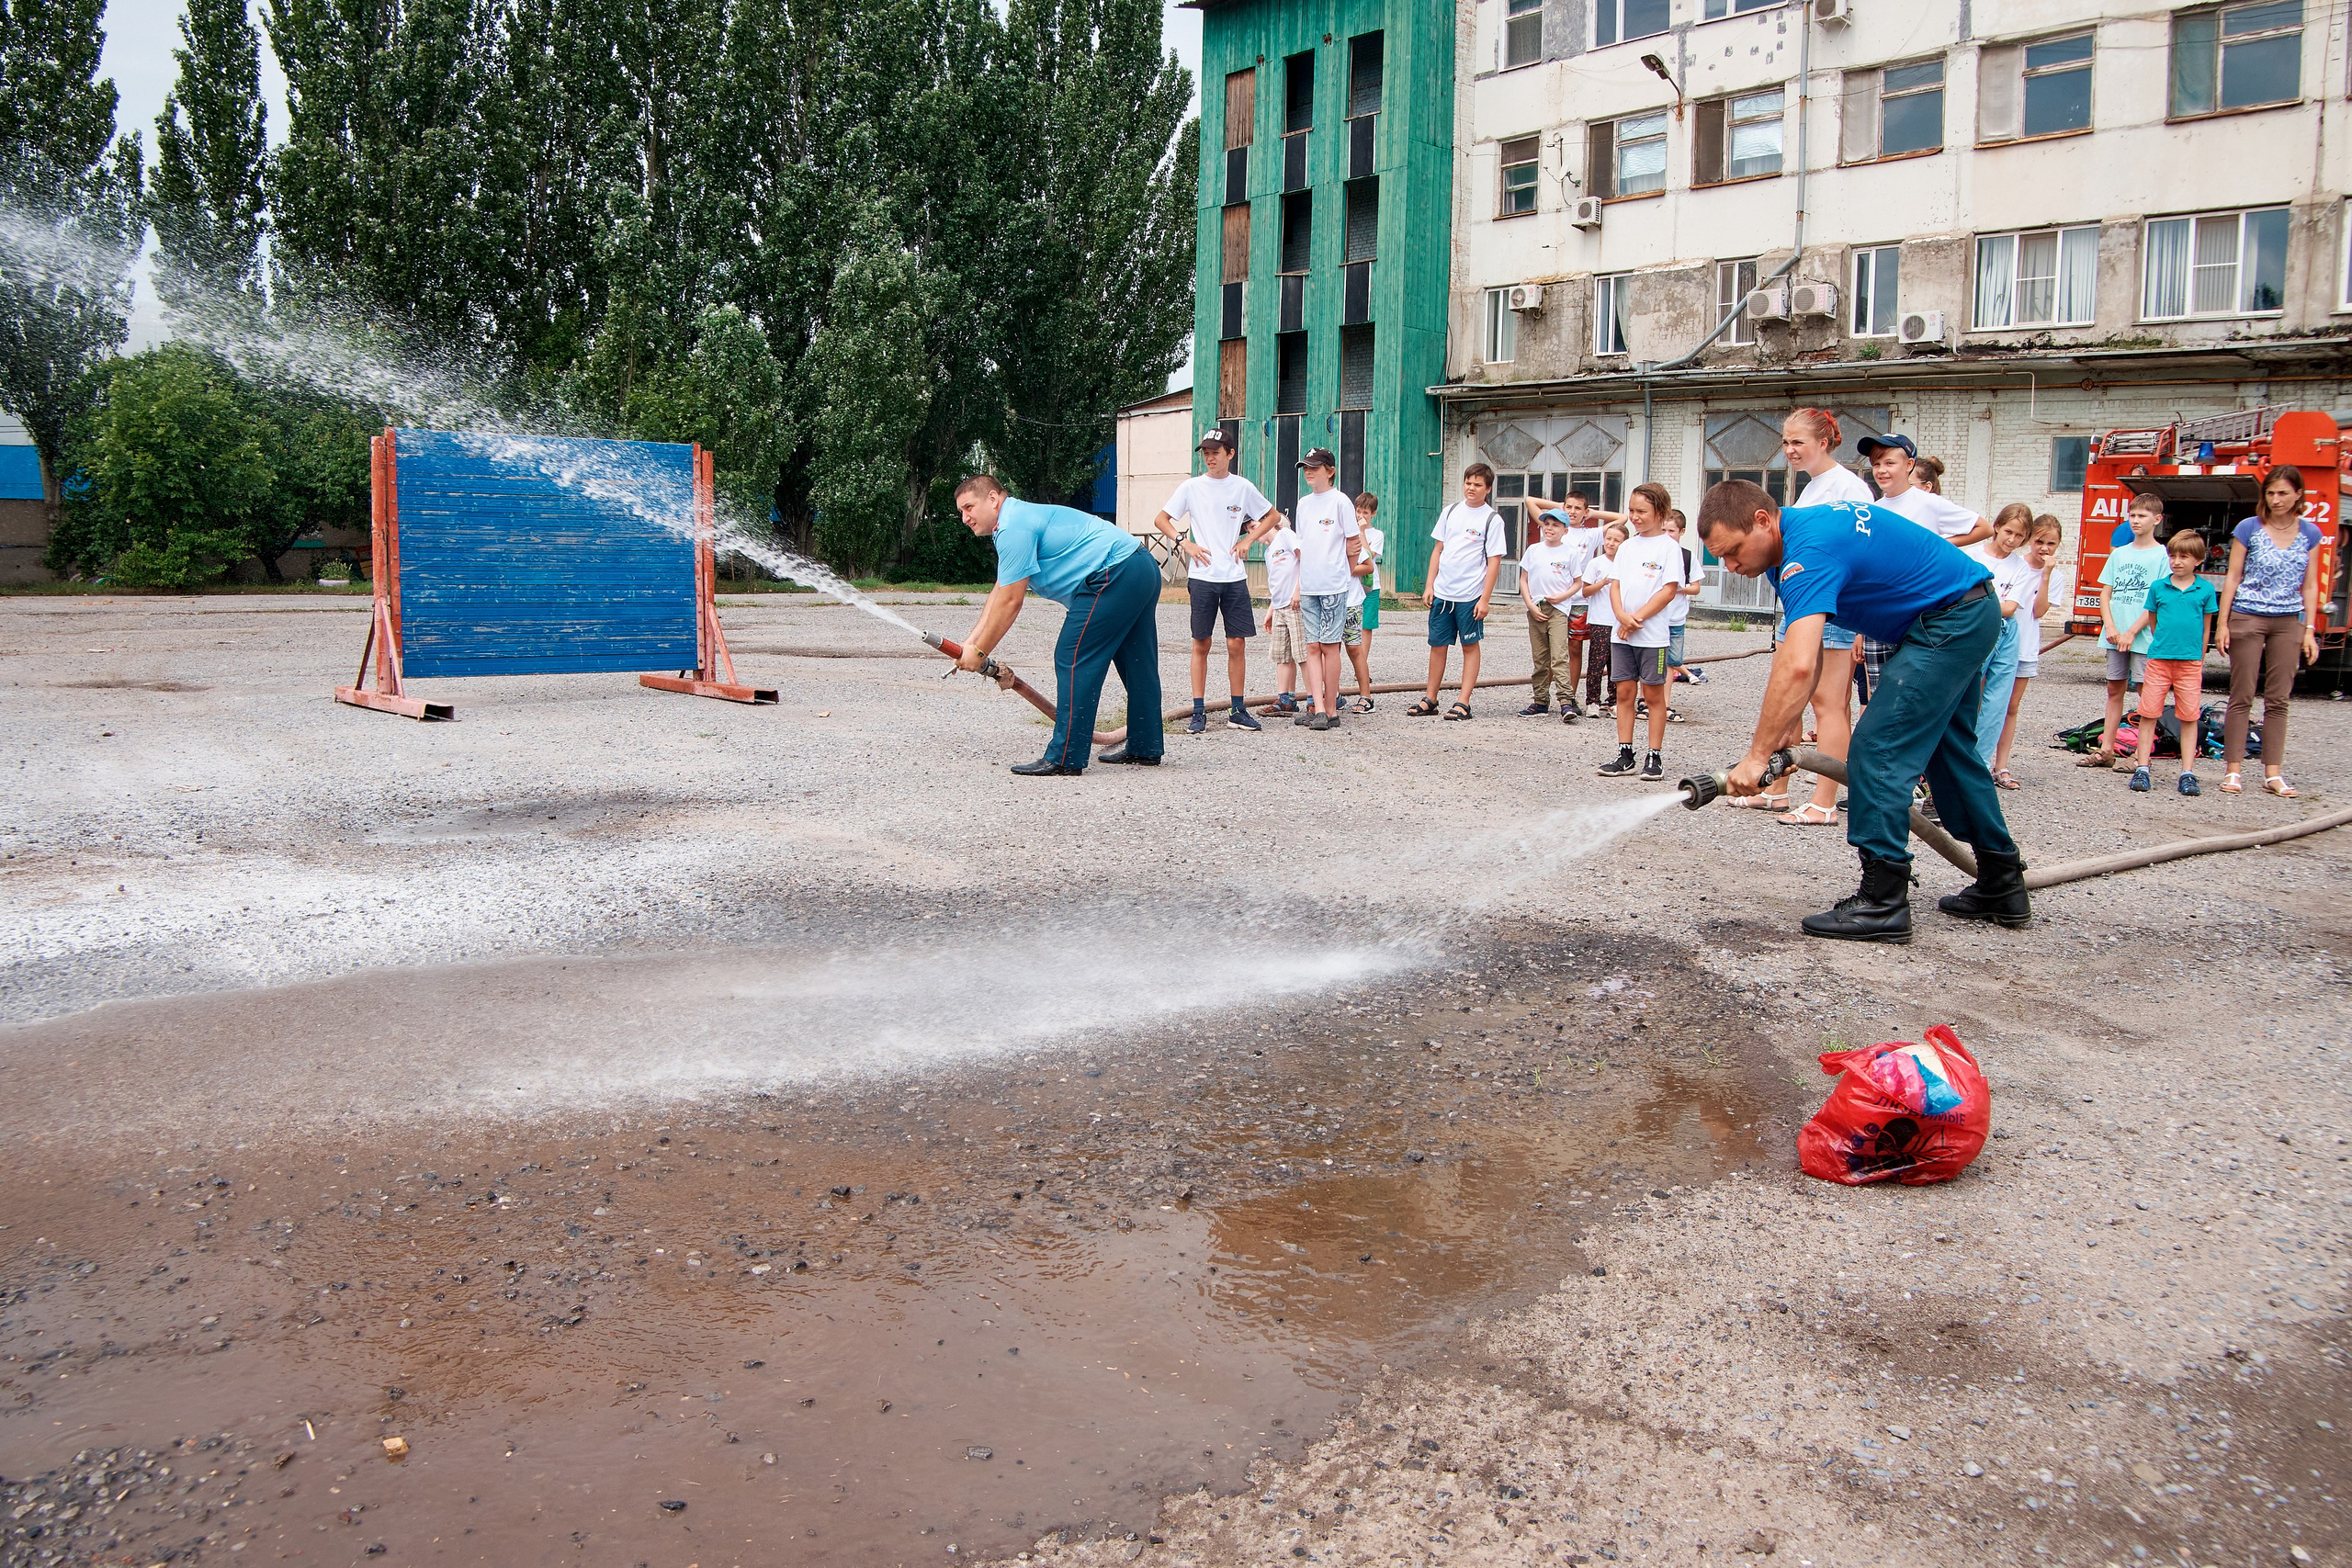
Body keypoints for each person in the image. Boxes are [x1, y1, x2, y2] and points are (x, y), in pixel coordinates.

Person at [1699, 479, 2025, 942]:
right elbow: (1806, 655)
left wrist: (1756, 756)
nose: (1731, 566)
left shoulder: (1808, 552)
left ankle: (1883, 902)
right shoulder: (1790, 547)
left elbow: (1797, 667)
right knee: (1950, 753)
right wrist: (1781, 732)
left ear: (1762, 520)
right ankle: (2002, 883)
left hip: (1950, 619)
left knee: (1877, 748)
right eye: (1721, 559)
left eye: (1733, 551)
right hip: (1966, 610)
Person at [953, 475, 1164, 775]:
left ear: (993, 498)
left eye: (969, 507)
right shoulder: (1018, 518)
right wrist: (971, 644)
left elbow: (1010, 601)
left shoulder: (1013, 527)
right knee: (1137, 662)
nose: (965, 518)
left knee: (1072, 656)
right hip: (1140, 566)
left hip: (1113, 573)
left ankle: (1066, 757)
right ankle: (1145, 746)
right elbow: (1000, 591)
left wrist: (979, 652)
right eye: (961, 511)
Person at [1150, 429, 1282, 735]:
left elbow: (1273, 516)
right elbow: (1161, 519)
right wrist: (1185, 542)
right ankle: (1198, 711)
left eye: (1215, 452)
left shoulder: (1242, 487)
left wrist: (1248, 539)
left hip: (1234, 577)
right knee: (1202, 643)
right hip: (1203, 576)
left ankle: (1237, 710)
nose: (1209, 458)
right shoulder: (1192, 487)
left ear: (1230, 454)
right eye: (1206, 453)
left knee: (1237, 644)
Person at [2218, 466, 2325, 796]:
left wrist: (2309, 629)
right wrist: (2223, 623)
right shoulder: (2249, 528)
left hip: (2288, 620)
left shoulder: (2310, 534)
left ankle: (2273, 773)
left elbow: (2310, 585)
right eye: (2270, 493)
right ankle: (2233, 770)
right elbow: (2233, 577)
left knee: (2279, 698)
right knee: (2242, 694)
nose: (2276, 499)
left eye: (2283, 493)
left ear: (2298, 495)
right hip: (2248, 615)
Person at [1597, 483, 1687, 781]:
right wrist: (1621, 617)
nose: (1634, 517)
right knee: (1624, 692)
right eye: (1631, 510)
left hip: (1652, 636)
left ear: (1660, 512)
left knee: (1653, 695)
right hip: (1621, 635)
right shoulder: (1626, 547)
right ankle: (1625, 754)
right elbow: (1615, 585)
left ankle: (1654, 755)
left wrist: (1635, 618)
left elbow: (1669, 590)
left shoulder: (1669, 548)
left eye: (1641, 511)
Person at [2121, 529, 2219, 795]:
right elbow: (2153, 621)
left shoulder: (2205, 590)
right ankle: (2142, 768)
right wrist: (2162, 645)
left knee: (2189, 717)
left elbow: (2206, 628)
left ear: (2198, 560)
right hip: (2159, 661)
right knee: (2149, 714)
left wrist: (2198, 657)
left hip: (2190, 664)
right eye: (2173, 556)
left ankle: (2187, 772)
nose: (2177, 561)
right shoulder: (2158, 587)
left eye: (2184, 557)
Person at [1409, 463, 1506, 720]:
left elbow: (1494, 561)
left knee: (1469, 646)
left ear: (1487, 488)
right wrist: (1429, 585)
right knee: (1437, 645)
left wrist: (1485, 599)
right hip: (1443, 593)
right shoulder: (1450, 511)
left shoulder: (1492, 520)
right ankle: (1430, 698)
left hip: (1470, 596)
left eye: (1477, 485)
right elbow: (1438, 550)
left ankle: (1463, 701)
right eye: (1468, 483)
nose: (1471, 488)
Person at [2080, 493, 2169, 772]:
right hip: (2115, 633)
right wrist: (2110, 626)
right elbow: (2106, 593)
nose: (2136, 521)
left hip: (2143, 635)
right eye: (2132, 515)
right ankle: (2106, 749)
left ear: (2157, 519)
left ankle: (2142, 755)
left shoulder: (2161, 556)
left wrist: (2132, 632)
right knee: (2114, 688)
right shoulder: (2119, 554)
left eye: (2142, 516)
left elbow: (2157, 601)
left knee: (2146, 694)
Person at [1291, 448, 1364, 731]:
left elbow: (1354, 542)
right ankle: (1318, 707)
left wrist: (1345, 573)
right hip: (1310, 584)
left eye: (1314, 467)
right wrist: (1300, 584)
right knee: (1312, 646)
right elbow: (1302, 545)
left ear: (1330, 471)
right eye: (1306, 468)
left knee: (1330, 646)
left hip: (1333, 584)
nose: (1308, 472)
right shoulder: (1303, 504)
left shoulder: (1340, 501)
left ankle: (1331, 708)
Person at [1962, 503, 2040, 769]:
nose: (2012, 540)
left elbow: (2010, 608)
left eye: (2019, 536)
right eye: (2008, 531)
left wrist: (1981, 600)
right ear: (1997, 527)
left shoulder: (2021, 567)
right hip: (1975, 628)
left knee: (1997, 701)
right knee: (1965, 695)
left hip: (2006, 630)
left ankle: (1980, 764)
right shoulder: (1972, 556)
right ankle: (1952, 759)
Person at [1990, 514, 2064, 789]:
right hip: (1998, 640)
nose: (2044, 548)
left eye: (2051, 543)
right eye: (2039, 541)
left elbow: (2039, 611)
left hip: (2025, 645)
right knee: (1984, 705)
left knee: (2010, 707)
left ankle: (2001, 765)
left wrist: (2046, 575)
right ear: (2030, 539)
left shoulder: (2055, 576)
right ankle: (1977, 762)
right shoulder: (2015, 565)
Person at [1860, 434, 1995, 547]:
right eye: (1876, 464)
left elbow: (1985, 529)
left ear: (1909, 465)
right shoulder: (1872, 509)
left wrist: (1936, 547)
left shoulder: (1928, 502)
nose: (1881, 470)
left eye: (1890, 463)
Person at [1518, 509, 1583, 718]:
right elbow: (1523, 580)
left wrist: (1563, 596)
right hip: (1537, 608)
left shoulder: (1570, 553)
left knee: (1559, 656)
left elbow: (1578, 583)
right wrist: (1530, 605)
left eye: (1555, 525)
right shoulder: (1533, 550)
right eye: (1546, 524)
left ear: (1565, 530)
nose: (1550, 528)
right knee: (1540, 658)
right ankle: (1540, 701)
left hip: (1558, 610)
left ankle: (1566, 702)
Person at [1580, 522, 1629, 716]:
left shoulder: (1627, 564)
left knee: (1617, 663)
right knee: (1596, 663)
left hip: (1620, 620)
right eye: (1608, 539)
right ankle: (1592, 701)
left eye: (1616, 540)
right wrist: (1602, 583)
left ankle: (1614, 701)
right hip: (1600, 620)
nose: (1611, 543)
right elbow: (1585, 591)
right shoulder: (1596, 563)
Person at [1260, 510, 1306, 714]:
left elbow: (1304, 559)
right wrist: (1271, 609)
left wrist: (1299, 590)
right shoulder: (1268, 552)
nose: (1253, 532)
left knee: (1302, 653)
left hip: (1295, 603)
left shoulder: (1285, 535)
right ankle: (1285, 698)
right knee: (1282, 655)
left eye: (1255, 527)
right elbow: (1276, 583)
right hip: (1279, 606)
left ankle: (1313, 699)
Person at [1344, 491, 1385, 713]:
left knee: (1366, 626)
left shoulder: (1376, 534)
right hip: (1352, 587)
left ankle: (1363, 667)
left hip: (1370, 586)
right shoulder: (1348, 531)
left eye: (1365, 513)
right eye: (1358, 511)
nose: (1361, 516)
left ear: (1373, 514)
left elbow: (1369, 556)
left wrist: (1361, 531)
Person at [1664, 511, 1700, 704]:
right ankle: (1644, 701)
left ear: (1682, 531)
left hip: (1676, 617)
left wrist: (1679, 589)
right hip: (1656, 616)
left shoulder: (1687, 556)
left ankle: (1665, 703)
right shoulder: (1656, 553)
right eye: (1664, 530)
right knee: (1650, 662)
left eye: (1671, 531)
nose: (1667, 534)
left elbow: (1696, 587)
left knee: (1671, 662)